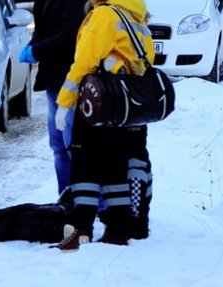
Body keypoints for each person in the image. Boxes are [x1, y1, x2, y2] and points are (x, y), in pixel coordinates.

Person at [54, 0, 154, 251]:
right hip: (123, 109)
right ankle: (118, 230)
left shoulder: (103, 15)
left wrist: (65, 103)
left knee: (84, 167)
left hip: (97, 104)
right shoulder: (136, 17)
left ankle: (80, 230)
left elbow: (84, 62)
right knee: (115, 168)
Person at [18, 0, 87, 197]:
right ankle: (65, 197)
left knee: (74, 146)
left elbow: (71, 34)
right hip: (53, 81)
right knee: (59, 146)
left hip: (72, 82)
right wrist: (32, 45)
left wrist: (37, 51)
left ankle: (86, 202)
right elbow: (42, 29)